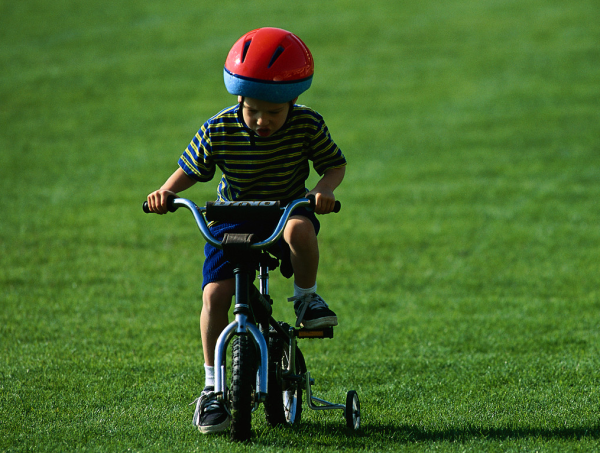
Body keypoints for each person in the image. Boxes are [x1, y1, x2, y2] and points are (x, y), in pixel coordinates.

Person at [146, 27, 346, 434]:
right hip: (232, 216)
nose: (261, 121)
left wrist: (322, 191)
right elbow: (190, 169)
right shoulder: (219, 128)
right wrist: (166, 192)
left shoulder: (307, 125)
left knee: (301, 234)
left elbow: (334, 164)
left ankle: (306, 299)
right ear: (239, 98)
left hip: (286, 207)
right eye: (253, 110)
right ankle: (212, 389)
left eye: (274, 113)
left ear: (293, 101)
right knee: (215, 295)